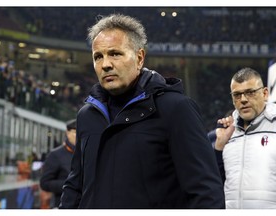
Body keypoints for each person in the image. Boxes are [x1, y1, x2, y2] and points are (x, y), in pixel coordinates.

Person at [59, 13, 225, 209]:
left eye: (115, 53)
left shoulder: (175, 109)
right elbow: (75, 186)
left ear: (139, 58)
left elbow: (205, 191)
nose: (105, 64)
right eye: (98, 57)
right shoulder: (87, 115)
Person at [214, 67, 276, 209]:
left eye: (250, 92)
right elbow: (215, 182)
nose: (243, 100)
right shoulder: (226, 132)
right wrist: (218, 148)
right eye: (237, 95)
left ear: (265, 93)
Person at [40, 119, 77, 208]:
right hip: (63, 206)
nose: (78, 135)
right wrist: (70, 184)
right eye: (75, 132)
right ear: (68, 133)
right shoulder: (56, 155)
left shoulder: (86, 153)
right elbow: (44, 183)